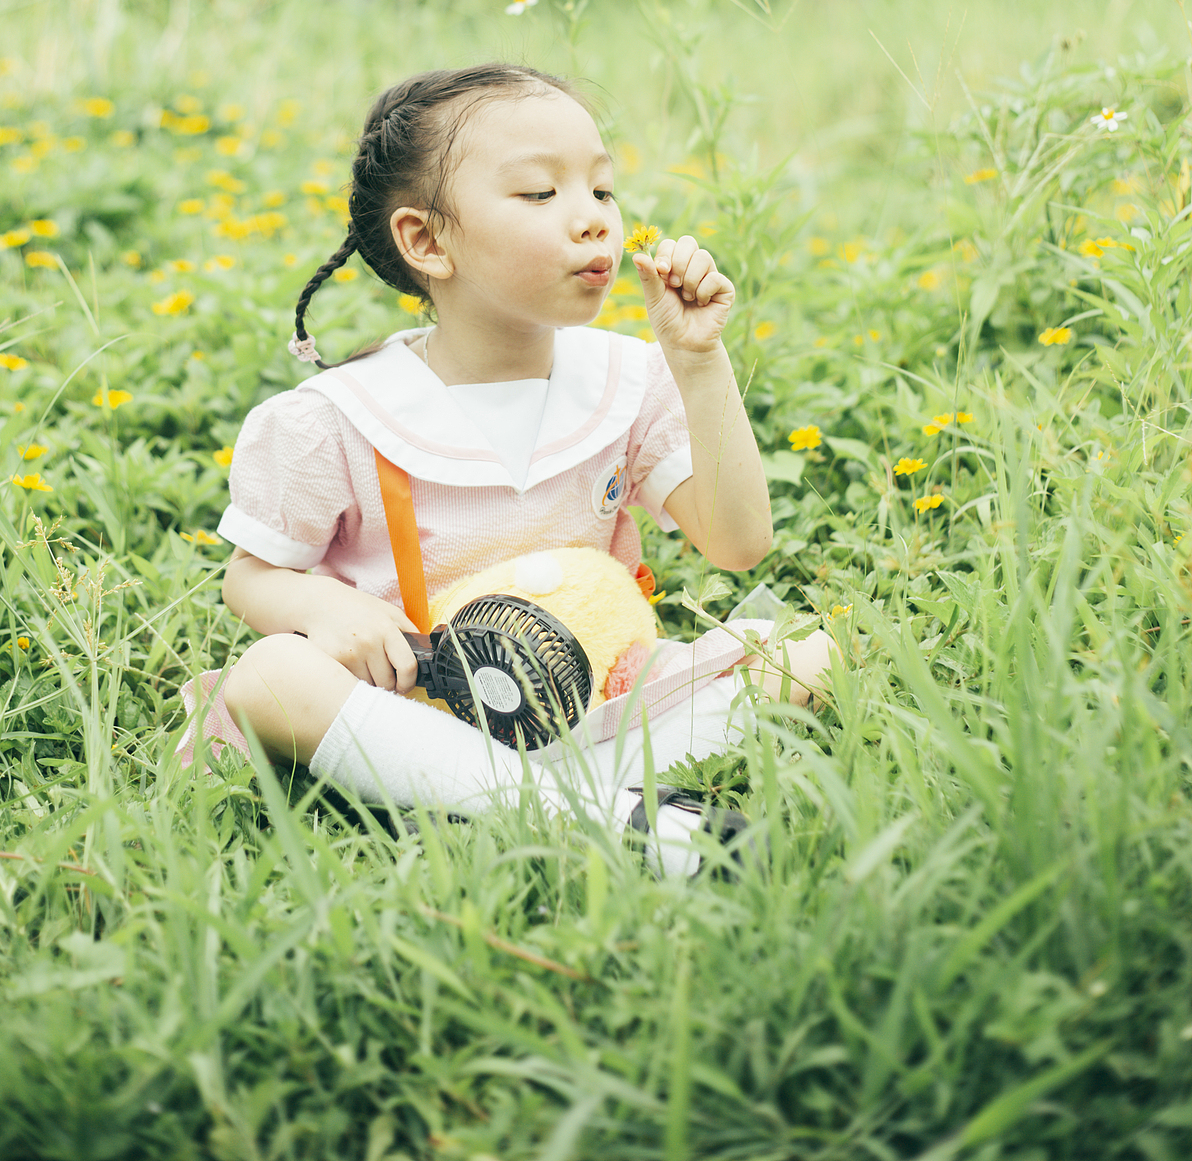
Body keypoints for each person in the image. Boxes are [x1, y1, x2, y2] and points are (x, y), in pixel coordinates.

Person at [194, 64, 836, 874]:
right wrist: (323, 608)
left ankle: (535, 803)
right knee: (270, 675)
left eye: (601, 191)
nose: (593, 221)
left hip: (600, 700)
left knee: (809, 657)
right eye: (540, 195)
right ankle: (598, 811)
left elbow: (739, 543)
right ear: (426, 241)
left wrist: (699, 362)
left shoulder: (625, 380)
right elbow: (250, 579)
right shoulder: (342, 416)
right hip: (421, 711)